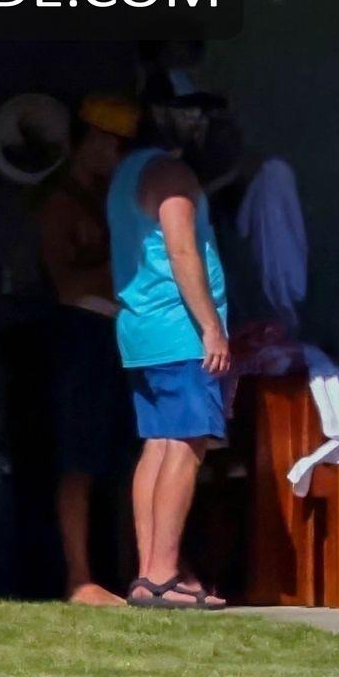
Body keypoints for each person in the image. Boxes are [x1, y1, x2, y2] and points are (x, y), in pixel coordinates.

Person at [113, 92, 232, 609]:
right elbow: (182, 252)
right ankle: (162, 574)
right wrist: (211, 328)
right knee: (186, 445)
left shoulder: (127, 172)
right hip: (180, 333)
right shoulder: (171, 175)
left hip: (142, 332)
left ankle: (149, 575)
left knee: (159, 445)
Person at [38, 92, 140, 606]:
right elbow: (66, 285)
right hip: (80, 335)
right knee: (79, 459)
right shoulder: (59, 202)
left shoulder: (112, 200)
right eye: (110, 144)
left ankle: (133, 571)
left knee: (127, 459)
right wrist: (125, 265)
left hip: (122, 337)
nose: (116, 156)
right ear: (89, 141)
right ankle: (79, 578)